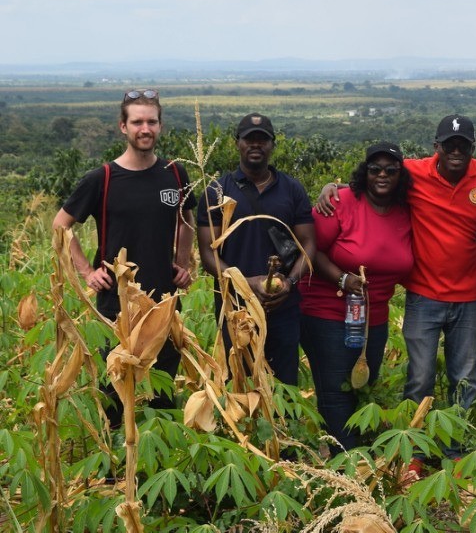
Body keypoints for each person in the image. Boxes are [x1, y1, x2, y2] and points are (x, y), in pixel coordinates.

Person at [317, 114, 476, 416]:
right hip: (423, 294)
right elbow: (374, 176)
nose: (455, 152)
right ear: (436, 147)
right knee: (419, 378)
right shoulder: (413, 172)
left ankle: (459, 445)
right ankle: (417, 447)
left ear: (473, 148)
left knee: (466, 377)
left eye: (463, 146)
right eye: (449, 146)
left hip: (468, 296)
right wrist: (332, 186)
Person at [53, 88, 196, 423]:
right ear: (123, 127)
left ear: (160, 126)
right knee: (115, 390)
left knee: (163, 390)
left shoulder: (175, 173)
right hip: (116, 305)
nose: (144, 129)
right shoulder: (101, 178)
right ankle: (117, 467)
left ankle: (164, 458)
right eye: (137, 122)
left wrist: (185, 262)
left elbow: (187, 218)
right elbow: (61, 226)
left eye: (151, 122)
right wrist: (87, 271)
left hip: (163, 301)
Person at [302, 142, 413, 450]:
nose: (382, 175)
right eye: (375, 169)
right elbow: (310, 249)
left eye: (391, 170)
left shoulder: (406, 211)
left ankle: (355, 455)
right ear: (365, 172)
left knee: (362, 387)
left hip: (373, 319)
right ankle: (345, 464)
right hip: (327, 312)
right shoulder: (340, 202)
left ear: (400, 175)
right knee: (336, 391)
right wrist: (341, 277)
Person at [196, 113, 316, 386]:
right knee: (238, 382)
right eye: (250, 139)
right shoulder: (216, 190)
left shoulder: (292, 189)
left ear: (272, 145)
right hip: (234, 307)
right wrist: (245, 283)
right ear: (237, 143)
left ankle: (281, 430)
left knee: (283, 384)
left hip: (283, 307)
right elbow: (207, 253)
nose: (256, 145)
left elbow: (308, 244)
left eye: (263, 140)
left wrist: (289, 282)